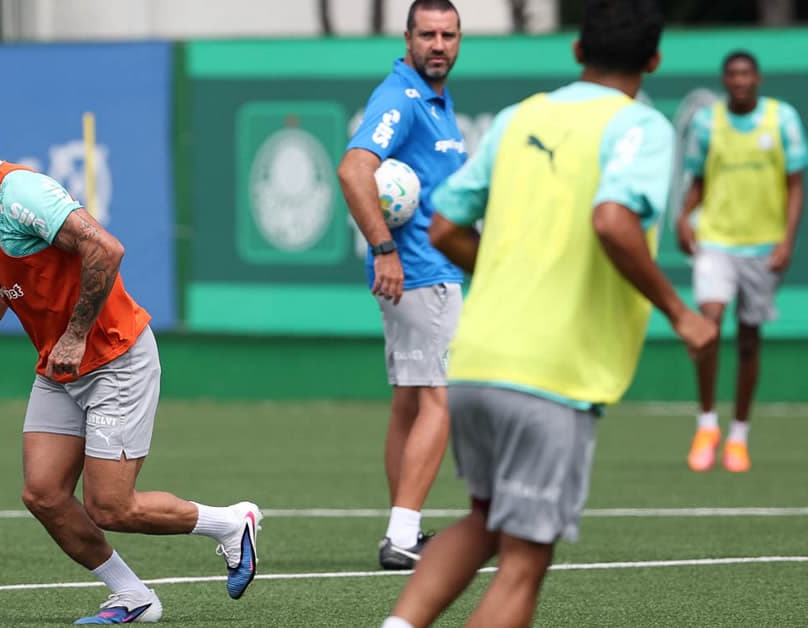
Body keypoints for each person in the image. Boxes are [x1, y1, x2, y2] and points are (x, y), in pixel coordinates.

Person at [379, 1, 719, 626]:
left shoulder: (518, 117)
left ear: (577, 51)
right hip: (551, 373)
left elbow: (448, 224)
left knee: (483, 521)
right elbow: (613, 221)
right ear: (654, 60)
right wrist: (681, 312)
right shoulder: (641, 127)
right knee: (524, 563)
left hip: (477, 362)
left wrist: (512, 279)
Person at [0, 90, 260, 624]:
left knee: (111, 507)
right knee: (44, 494)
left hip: (113, 356)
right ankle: (134, 597)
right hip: (61, 369)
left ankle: (230, 523)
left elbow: (106, 248)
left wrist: (76, 335)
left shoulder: (22, 193)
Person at [336, 0, 466, 570]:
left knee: (411, 402)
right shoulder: (403, 97)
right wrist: (384, 248)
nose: (438, 44)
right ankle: (403, 536)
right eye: (428, 34)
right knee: (440, 399)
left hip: (421, 274)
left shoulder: (434, 100)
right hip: (419, 272)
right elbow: (353, 168)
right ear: (408, 37)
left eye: (449, 34)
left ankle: (402, 529)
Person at [676, 50, 806, 473]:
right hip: (716, 239)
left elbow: (795, 185)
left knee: (749, 339)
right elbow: (698, 179)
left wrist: (787, 241)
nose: (739, 81)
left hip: (763, 246)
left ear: (758, 78)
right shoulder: (707, 122)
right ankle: (707, 422)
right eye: (732, 74)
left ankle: (739, 433)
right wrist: (683, 216)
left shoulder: (782, 119)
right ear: (725, 80)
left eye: (746, 74)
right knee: (708, 325)